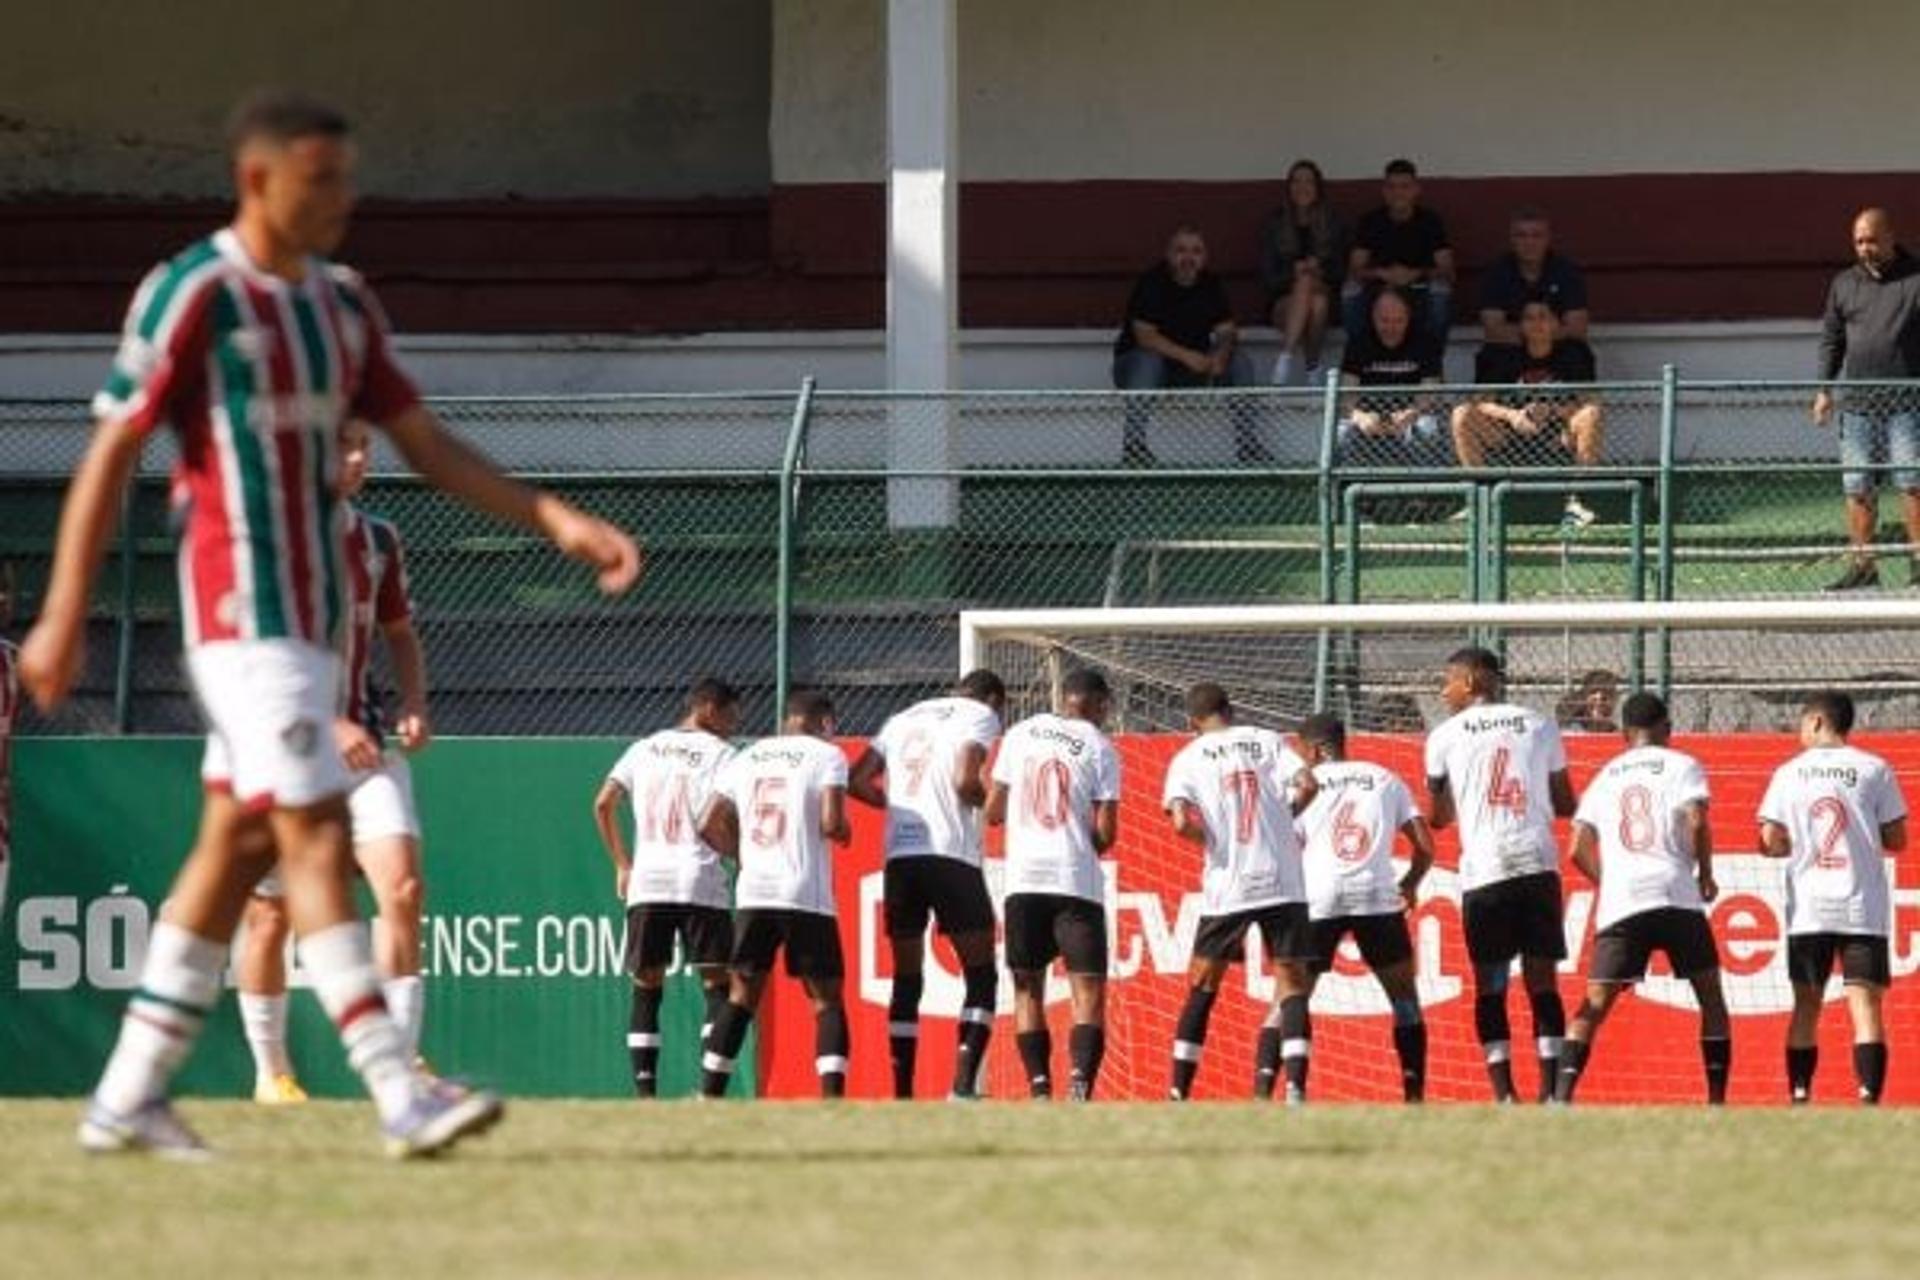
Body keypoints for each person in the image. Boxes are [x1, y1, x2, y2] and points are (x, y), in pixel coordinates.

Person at [17, 89, 641, 1160]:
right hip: (237, 609)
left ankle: (125, 1093)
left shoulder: (344, 306)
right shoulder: (193, 292)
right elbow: (112, 450)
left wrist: (555, 517)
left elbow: (429, 445)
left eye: (350, 179)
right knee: (312, 831)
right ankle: (400, 1089)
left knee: (232, 846)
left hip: (310, 621)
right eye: (322, 181)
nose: (342, 201)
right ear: (258, 180)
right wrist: (64, 609)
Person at [233, 417, 439, 1105]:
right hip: (285, 745)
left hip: (364, 746)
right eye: (343, 446)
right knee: (270, 914)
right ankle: (272, 1074)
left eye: (364, 447)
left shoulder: (378, 539)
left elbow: (400, 633)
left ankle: (399, 1066)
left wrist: (411, 700)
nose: (357, 459)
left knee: (403, 891)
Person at [1555, 693, 1730, 1105]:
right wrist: (1704, 872)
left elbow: (1576, 847)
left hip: (1624, 902)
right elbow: (1698, 819)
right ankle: (1717, 1101)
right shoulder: (1683, 764)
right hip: (1676, 894)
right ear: (1667, 728)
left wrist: (1610, 881)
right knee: (1711, 997)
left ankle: (1561, 1098)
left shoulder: (1607, 774)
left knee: (1594, 1003)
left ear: (1623, 734)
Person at [1425, 646, 1577, 1103]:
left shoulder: (1444, 736)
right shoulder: (1538, 723)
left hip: (1486, 871)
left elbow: (1437, 818)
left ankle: (1504, 1094)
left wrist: (1459, 798)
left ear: (1471, 682)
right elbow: (1567, 803)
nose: (1441, 690)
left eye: (1446, 680)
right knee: (1542, 981)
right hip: (1535, 863)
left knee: (1490, 985)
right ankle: (1551, 1093)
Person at [847, 669, 1006, 1100]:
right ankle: (961, 1089)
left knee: (906, 977)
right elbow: (964, 780)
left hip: (901, 858)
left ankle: (903, 1095)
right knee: (981, 975)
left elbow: (856, 780)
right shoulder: (980, 714)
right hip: (950, 856)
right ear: (992, 699)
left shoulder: (903, 716)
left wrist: (897, 807)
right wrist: (995, 808)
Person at [1160, 683, 1319, 1103]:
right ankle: (1296, 1092)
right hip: (1282, 881)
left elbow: (1178, 821)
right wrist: (1284, 823)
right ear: (1229, 710)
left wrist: (1213, 840)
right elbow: (1307, 784)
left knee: (1202, 985)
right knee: (1291, 983)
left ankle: (1179, 1092)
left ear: (1191, 722)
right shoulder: (1265, 739)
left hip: (1229, 886)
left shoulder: (1187, 757)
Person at [592, 677, 743, 1098]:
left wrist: (623, 864)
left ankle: (646, 1096)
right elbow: (718, 819)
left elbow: (603, 802)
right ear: (708, 709)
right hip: (699, 879)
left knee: (647, 988)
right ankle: (709, 1091)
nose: (735, 724)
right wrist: (739, 854)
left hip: (649, 880)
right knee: (718, 985)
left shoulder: (644, 747)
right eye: (732, 714)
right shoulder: (725, 755)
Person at [697, 690, 852, 1100]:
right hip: (803, 892)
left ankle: (707, 1095)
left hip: (754, 892)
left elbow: (708, 822)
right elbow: (833, 822)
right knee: (826, 999)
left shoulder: (746, 756)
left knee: (742, 995)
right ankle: (832, 1102)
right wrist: (844, 830)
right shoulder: (826, 755)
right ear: (825, 723)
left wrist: (743, 855)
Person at [1757, 690, 1907, 1105]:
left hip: (1809, 909)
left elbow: (1768, 840)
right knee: (1866, 1006)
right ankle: (1868, 1097)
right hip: (1862, 907)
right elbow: (1898, 839)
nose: (1799, 732)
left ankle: (1800, 1094)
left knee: (1806, 1005)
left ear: (1819, 722)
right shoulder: (1875, 768)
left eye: (1802, 723)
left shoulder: (1788, 773)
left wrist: (1793, 844)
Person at [985, 667, 1121, 1101]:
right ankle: (1079, 1086)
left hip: (1023, 881)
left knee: (1027, 987)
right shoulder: (1100, 746)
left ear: (1065, 698)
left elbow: (992, 811)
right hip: (1073, 879)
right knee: (1088, 988)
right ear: (1098, 704)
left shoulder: (1020, 734)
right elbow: (1105, 833)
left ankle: (1039, 1089)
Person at [1293, 712, 1435, 1103]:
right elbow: (1425, 847)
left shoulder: (1306, 783)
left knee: (1292, 995)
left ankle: (1288, 1092)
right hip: (1375, 897)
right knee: (1404, 997)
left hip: (1320, 898)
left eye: (1302, 749)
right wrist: (1409, 884)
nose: (1300, 758)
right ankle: (1414, 1094)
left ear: (1316, 749)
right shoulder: (1384, 778)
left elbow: (1285, 844)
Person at [1812, 208, 1920, 591]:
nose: (1865, 248)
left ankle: (1918, 561)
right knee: (1857, 484)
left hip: (1907, 401)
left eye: (1872, 240)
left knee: (1912, 480)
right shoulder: (1844, 284)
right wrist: (1824, 389)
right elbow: (1832, 340)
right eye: (1858, 241)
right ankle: (1864, 564)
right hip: (1857, 404)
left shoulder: (1915, 280)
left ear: (1891, 236)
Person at [1111, 224, 1267, 466]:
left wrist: (1221, 355)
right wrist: (1187, 356)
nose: (1188, 258)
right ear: (1168, 254)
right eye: (1181, 250)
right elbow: (1145, 337)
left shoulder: (1210, 284)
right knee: (1148, 360)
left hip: (1191, 369)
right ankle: (1134, 447)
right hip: (1139, 369)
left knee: (1240, 361)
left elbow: (1227, 331)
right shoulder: (1152, 282)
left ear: (1205, 257)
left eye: (1196, 251)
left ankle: (1248, 446)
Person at [1451, 301, 1605, 526]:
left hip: (1558, 437)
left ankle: (1578, 502)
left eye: (1543, 316)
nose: (1537, 323)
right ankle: (1480, 503)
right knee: (1461, 414)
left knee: (1592, 414)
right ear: (1521, 326)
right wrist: (1512, 415)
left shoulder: (1575, 353)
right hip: (1509, 437)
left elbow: (1591, 400)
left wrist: (1553, 411)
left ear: (1556, 324)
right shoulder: (1504, 356)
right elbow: (1481, 401)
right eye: (1529, 318)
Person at [1344, 159, 1455, 342]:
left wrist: (1415, 274)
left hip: (1419, 289)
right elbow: (1354, 270)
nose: (1398, 193)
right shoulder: (1370, 221)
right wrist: (1382, 273)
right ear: (1384, 191)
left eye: (1405, 186)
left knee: (1440, 291)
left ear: (1416, 189)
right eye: (1392, 187)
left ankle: (1433, 361)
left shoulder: (1430, 221)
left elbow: (1449, 271)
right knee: (1350, 290)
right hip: (1379, 289)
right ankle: (1358, 358)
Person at [1338, 289, 1447, 470]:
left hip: (1409, 417)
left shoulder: (1425, 342)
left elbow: (1430, 391)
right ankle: (1348, 491)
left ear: (1408, 318)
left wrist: (1412, 414)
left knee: (1427, 428)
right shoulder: (1359, 342)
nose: (1391, 327)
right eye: (1384, 320)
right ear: (1374, 317)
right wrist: (1360, 417)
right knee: (1343, 432)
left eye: (1398, 321)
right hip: (1370, 419)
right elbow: (1347, 393)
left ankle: (1423, 493)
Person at [1260, 159, 1346, 387]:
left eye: (1308, 181)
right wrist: (1293, 273)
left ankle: (1285, 359)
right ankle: (1312, 368)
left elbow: (1341, 272)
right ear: (1289, 187)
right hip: (1283, 305)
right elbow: (1269, 278)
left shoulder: (1333, 222)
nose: (1302, 187)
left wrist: (1320, 269)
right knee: (1309, 291)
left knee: (1317, 300)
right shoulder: (1275, 223)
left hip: (1325, 301)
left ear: (1318, 187)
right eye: (1296, 181)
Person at [1477, 208, 1590, 348]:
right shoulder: (1495, 274)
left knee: (1578, 353)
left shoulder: (1567, 272)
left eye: (1537, 236)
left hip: (1558, 345)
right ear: (1511, 239)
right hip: (1511, 346)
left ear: (1548, 239)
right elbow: (1493, 330)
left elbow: (1577, 328)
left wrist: (1540, 336)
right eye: (1521, 236)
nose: (1529, 242)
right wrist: (1537, 333)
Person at [1554, 669, 1620, 734]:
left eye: (1606, 694)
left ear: (1615, 700)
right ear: (1584, 698)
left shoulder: (1616, 734)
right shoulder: (1574, 731)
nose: (1599, 701)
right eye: (1593, 692)